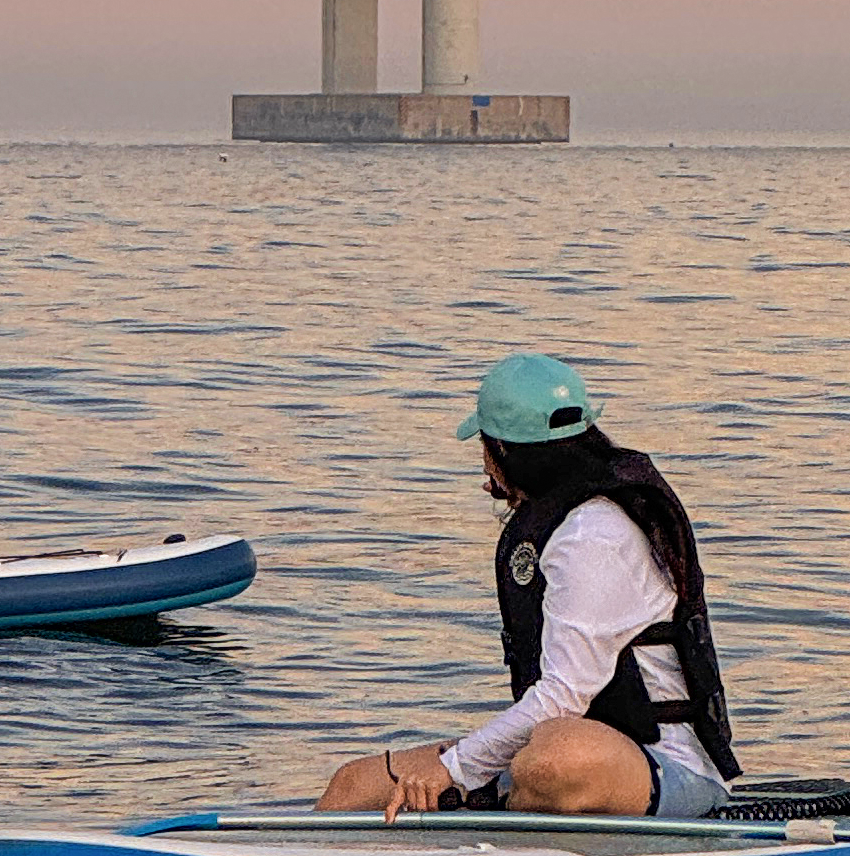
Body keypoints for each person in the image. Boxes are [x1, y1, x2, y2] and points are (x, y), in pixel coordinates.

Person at [316, 352, 739, 822]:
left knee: (550, 758)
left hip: (666, 767)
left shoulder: (592, 534)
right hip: (564, 754)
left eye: (484, 446)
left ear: (502, 451)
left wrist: (454, 770)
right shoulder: (561, 523)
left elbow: (565, 695)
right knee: (355, 784)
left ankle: (496, 844)